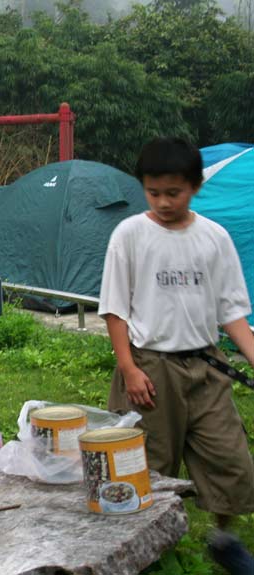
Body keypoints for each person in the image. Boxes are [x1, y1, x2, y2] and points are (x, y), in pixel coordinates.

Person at [99, 137, 254, 574]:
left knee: (230, 459)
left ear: (195, 186)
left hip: (205, 366)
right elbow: (115, 310)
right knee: (147, 465)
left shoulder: (214, 238)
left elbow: (232, 311)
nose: (164, 202)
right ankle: (145, 551)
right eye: (154, 193)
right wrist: (129, 369)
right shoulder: (130, 235)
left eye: (174, 192)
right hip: (150, 368)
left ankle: (224, 539)